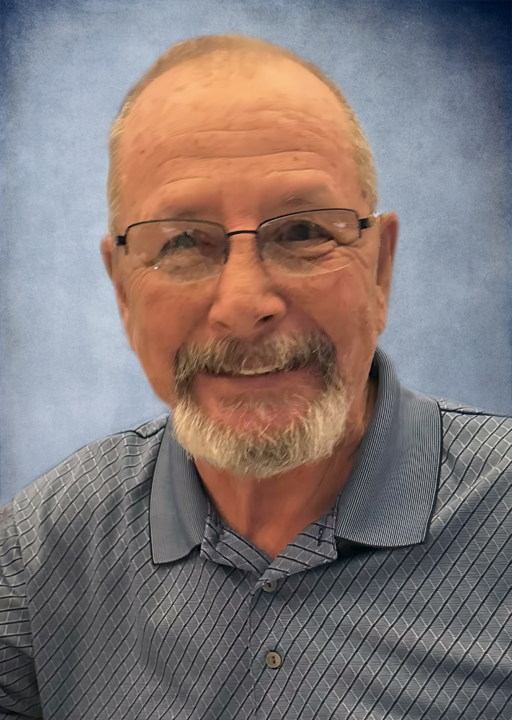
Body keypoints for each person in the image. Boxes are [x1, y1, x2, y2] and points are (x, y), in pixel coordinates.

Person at [0, 33, 510, 720]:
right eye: (182, 242)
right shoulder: (39, 553)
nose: (243, 305)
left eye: (302, 233)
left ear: (380, 270)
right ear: (123, 290)